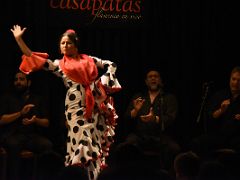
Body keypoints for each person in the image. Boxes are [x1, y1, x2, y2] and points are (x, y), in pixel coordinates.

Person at [10, 24, 121, 180]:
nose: (65, 45)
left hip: (94, 105)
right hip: (74, 107)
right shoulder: (59, 65)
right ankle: (78, 176)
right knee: (81, 140)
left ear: (75, 45)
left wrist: (101, 83)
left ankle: (93, 176)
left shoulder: (89, 59)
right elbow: (33, 58)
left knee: (93, 143)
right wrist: (19, 39)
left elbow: (111, 64)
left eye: (68, 42)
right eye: (62, 43)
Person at [123, 69, 180, 171]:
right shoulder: (138, 97)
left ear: (160, 80)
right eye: (150, 76)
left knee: (174, 148)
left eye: (156, 76)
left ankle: (164, 174)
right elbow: (127, 117)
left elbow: (171, 118)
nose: (153, 78)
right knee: (127, 145)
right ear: (146, 81)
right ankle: (133, 173)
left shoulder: (168, 97)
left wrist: (155, 118)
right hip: (140, 135)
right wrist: (135, 110)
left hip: (161, 136)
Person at [0, 70, 53, 180]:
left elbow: (46, 123)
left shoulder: (38, 99)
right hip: (13, 135)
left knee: (47, 145)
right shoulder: (7, 97)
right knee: (13, 145)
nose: (18, 82)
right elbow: (2, 120)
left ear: (28, 83)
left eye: (21, 79)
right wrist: (20, 113)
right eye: (16, 80)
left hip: (31, 136)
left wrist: (35, 120)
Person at [191, 66, 240, 157]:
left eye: (239, 80)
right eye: (233, 79)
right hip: (219, 135)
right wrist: (221, 110)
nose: (236, 83)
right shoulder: (220, 95)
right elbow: (210, 117)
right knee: (197, 142)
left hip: (236, 136)